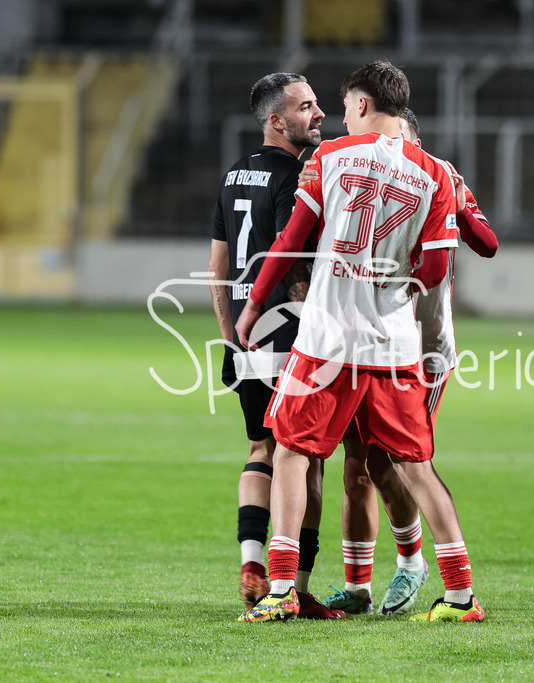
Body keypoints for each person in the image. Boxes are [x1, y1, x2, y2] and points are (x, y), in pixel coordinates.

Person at [235, 60, 486, 623]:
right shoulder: (436, 174)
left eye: (346, 106)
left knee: (292, 452)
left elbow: (290, 240)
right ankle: (461, 594)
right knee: (416, 466)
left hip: (327, 341)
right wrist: (393, 291)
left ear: (364, 105)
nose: (340, 116)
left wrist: (254, 305)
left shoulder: (329, 158)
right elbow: (436, 270)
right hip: (394, 346)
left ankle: (282, 587)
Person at [296, 108, 498, 616]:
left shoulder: (436, 176)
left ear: (413, 141)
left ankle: (412, 562)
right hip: (363, 344)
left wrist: (458, 199)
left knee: (396, 463)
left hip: (423, 351)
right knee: (356, 467)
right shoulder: (356, 170)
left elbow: (487, 243)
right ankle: (357, 586)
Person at [208, 72, 342, 620]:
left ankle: (251, 560)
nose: (319, 113)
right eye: (306, 107)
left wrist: (228, 336)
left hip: (245, 336)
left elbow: (217, 267)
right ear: (276, 121)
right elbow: (292, 261)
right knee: (307, 461)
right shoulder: (294, 177)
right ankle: (298, 587)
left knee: (258, 449)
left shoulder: (232, 175)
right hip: (288, 335)